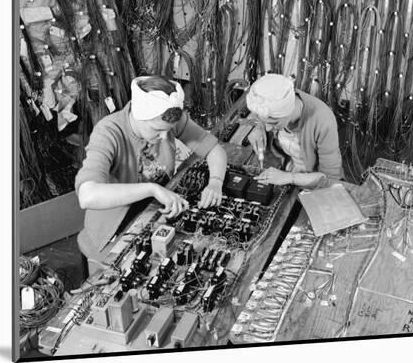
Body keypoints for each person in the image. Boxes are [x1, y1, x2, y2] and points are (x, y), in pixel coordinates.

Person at [75, 75, 227, 263]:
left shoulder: (167, 119)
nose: (165, 137)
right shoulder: (108, 132)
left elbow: (214, 149)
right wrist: (152, 189)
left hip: (153, 211)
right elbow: (87, 196)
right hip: (114, 228)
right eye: (157, 131)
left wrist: (215, 182)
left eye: (168, 130)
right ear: (139, 117)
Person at [246, 73, 343, 189]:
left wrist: (290, 177)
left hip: (313, 183)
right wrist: (258, 127)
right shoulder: (278, 98)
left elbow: (330, 179)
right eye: (265, 122)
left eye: (273, 123)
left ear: (287, 111)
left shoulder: (323, 120)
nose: (268, 129)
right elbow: (263, 113)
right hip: (285, 169)